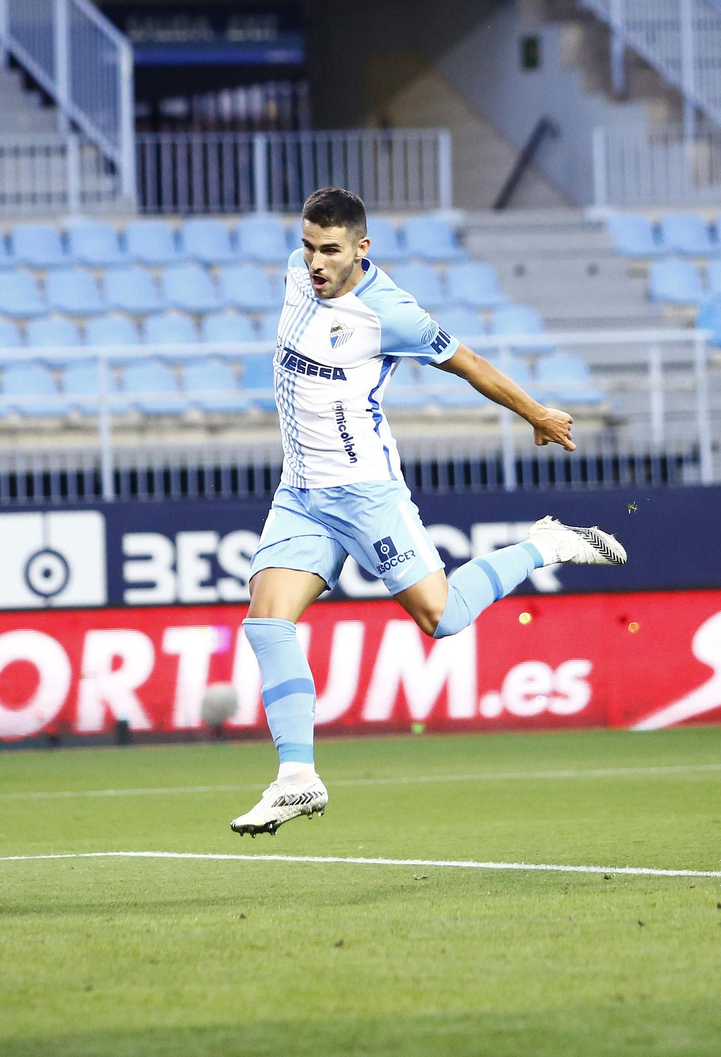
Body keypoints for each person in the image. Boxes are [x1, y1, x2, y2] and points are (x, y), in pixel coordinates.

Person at [230, 189, 627, 836]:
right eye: (307, 246)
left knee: (439, 617)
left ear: (362, 248)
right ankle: (297, 778)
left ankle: (546, 544)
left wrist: (536, 413)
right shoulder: (297, 278)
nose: (315, 262)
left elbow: (467, 363)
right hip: (300, 492)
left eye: (330, 250)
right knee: (267, 622)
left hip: (365, 492)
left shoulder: (393, 314)